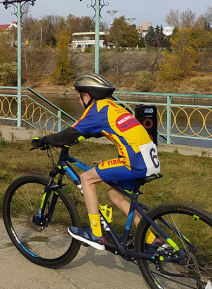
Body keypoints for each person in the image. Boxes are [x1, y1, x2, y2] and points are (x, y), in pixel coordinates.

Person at [33, 73, 160, 250]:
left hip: (134, 162)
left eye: (79, 97)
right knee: (116, 195)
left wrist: (45, 141)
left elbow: (71, 132)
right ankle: (153, 240)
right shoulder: (111, 106)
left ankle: (95, 234)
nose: (79, 101)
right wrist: (77, 138)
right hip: (150, 160)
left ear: (87, 95)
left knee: (86, 178)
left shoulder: (96, 110)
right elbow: (95, 131)